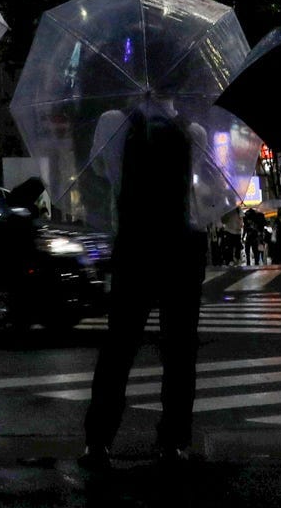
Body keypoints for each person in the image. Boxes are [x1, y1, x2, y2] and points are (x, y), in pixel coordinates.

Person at [81, 104, 207, 468]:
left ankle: (99, 440)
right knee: (180, 350)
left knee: (119, 345)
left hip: (134, 246)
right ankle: (173, 441)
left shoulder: (112, 123)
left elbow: (104, 174)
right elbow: (194, 191)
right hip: (181, 250)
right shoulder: (193, 131)